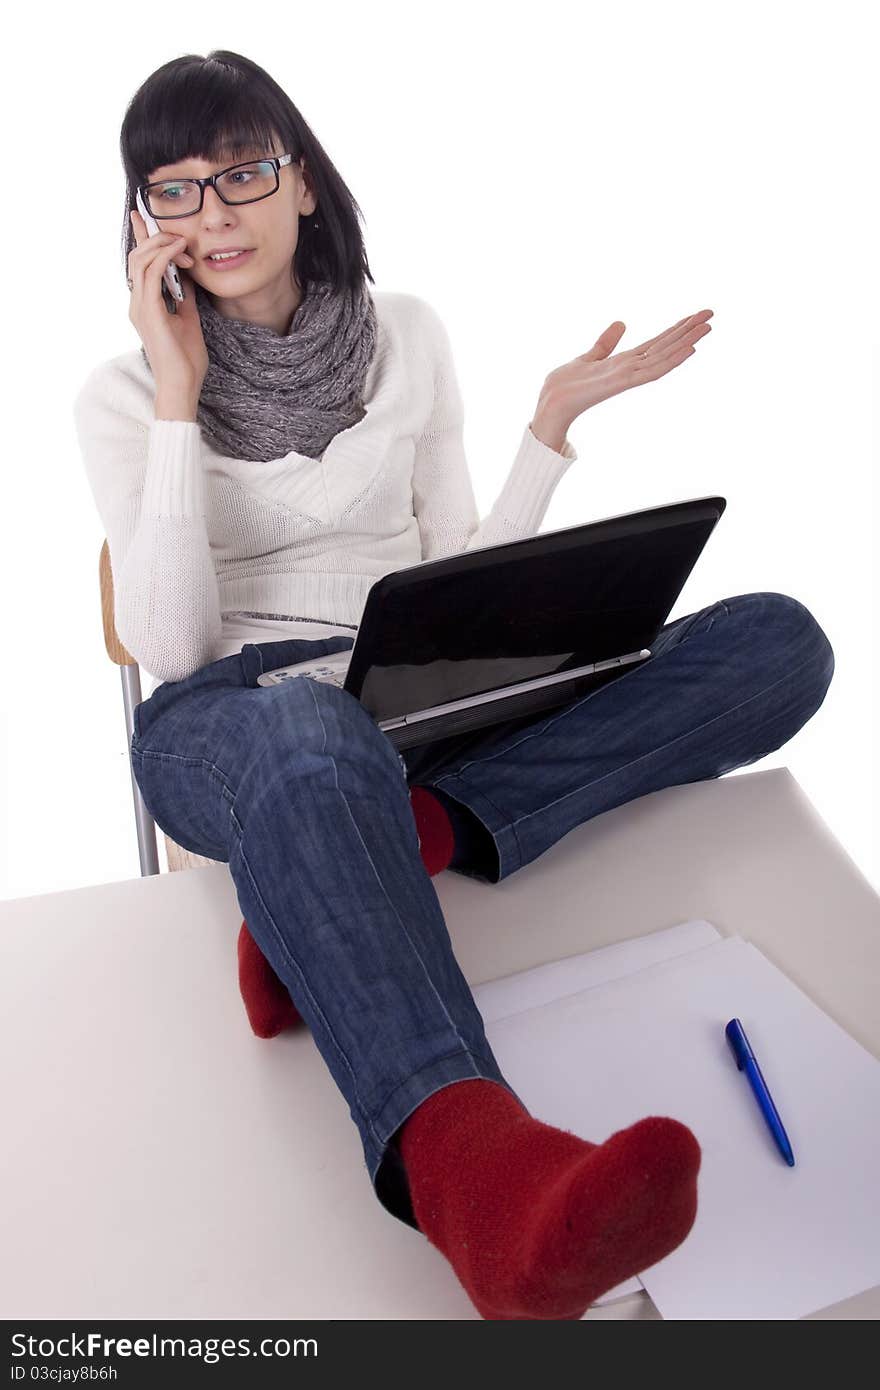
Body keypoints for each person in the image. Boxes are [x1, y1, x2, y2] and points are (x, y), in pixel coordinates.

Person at [73, 49, 835, 1321]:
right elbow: (171, 644)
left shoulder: (409, 336)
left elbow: (453, 576)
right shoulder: (123, 395)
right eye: (173, 191)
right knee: (312, 730)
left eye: (241, 174)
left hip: (416, 702)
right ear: (140, 223)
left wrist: (548, 430)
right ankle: (479, 1173)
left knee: (778, 639)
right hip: (236, 719)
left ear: (302, 183)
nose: (211, 216)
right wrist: (176, 401)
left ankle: (345, 866)